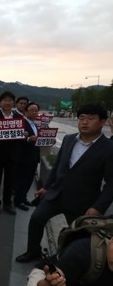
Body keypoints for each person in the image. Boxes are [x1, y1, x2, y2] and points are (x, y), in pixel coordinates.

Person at [16, 104, 113, 263]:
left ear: (102, 122)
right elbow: (57, 167)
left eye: (90, 118)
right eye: (81, 118)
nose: (84, 122)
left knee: (77, 235)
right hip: (56, 194)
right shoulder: (68, 139)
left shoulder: (109, 148)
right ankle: (33, 251)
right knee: (36, 219)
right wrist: (46, 187)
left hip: (82, 201)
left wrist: (98, 207)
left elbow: (111, 183)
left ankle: (67, 263)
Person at [0, 91, 24, 214]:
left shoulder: (19, 117)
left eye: (10, 100)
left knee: (10, 180)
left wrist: (25, 134)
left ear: (13, 102)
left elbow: (24, 133)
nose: (7, 103)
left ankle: (8, 203)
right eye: (5, 100)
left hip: (13, 154)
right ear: (0, 102)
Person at [14, 102, 41, 211]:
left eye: (36, 111)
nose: (35, 113)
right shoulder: (21, 123)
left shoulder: (34, 124)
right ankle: (18, 201)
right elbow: (16, 138)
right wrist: (29, 139)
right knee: (22, 180)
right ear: (25, 112)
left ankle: (23, 198)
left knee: (29, 180)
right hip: (23, 157)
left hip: (33, 156)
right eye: (32, 110)